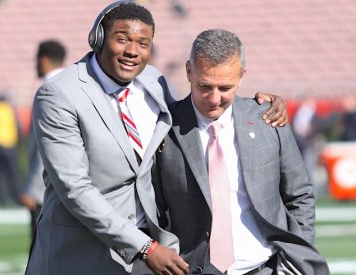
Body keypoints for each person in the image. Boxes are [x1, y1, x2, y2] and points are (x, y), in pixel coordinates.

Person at [25, 1, 288, 275]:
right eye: (122, 39)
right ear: (98, 38)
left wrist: (256, 108)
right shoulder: (59, 94)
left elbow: (196, 122)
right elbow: (75, 189)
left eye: (143, 43)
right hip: (80, 254)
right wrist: (146, 247)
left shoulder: (154, 81)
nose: (132, 51)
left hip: (145, 255)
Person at [152, 29, 329, 275]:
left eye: (225, 87)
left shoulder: (268, 120)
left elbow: (299, 195)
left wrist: (296, 257)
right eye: (205, 86)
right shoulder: (163, 127)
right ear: (189, 71)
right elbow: (154, 211)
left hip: (267, 268)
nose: (214, 99)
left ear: (242, 77)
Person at [19, 39, 66, 240]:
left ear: (44, 60)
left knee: (41, 252)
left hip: (47, 190)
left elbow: (45, 145)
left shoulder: (49, 90)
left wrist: (34, 189)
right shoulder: (70, 85)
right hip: (70, 186)